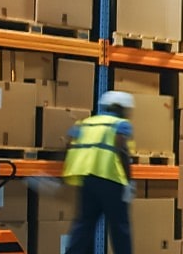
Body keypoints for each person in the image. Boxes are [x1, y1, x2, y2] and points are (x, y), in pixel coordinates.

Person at [62, 91, 137, 254]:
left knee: (83, 224)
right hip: (111, 179)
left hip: (87, 180)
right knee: (120, 227)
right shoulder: (120, 124)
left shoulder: (85, 123)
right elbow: (122, 151)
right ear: (122, 109)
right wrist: (129, 182)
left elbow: (68, 142)